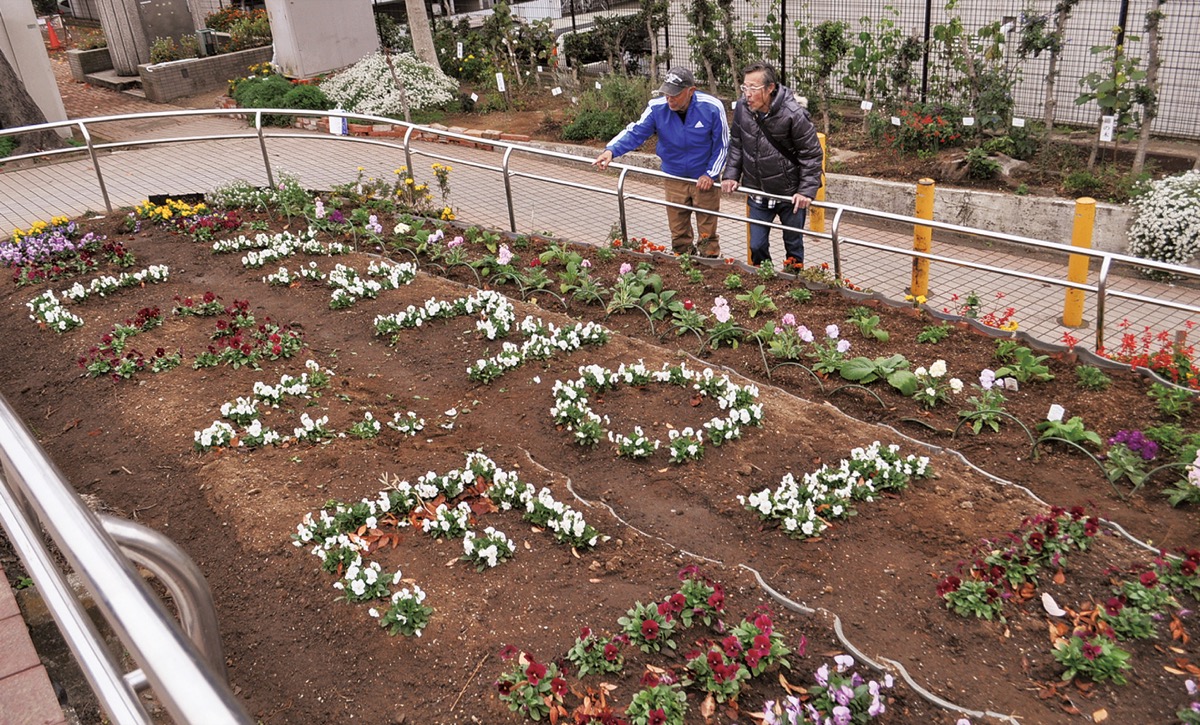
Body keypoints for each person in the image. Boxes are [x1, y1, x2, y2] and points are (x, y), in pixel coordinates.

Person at [594, 67, 729, 257]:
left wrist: (710, 174)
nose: (669, 99)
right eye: (666, 93)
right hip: (673, 176)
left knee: (708, 230)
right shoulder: (657, 107)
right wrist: (611, 151)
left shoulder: (712, 107)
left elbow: (722, 144)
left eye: (675, 94)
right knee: (678, 229)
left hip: (704, 177)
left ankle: (710, 263)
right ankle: (682, 260)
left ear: (691, 91)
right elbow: (636, 131)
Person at [720, 61, 824, 267]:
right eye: (745, 87)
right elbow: (737, 143)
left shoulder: (793, 114)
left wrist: (805, 191)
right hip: (758, 191)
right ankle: (765, 280)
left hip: (790, 193)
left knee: (793, 244)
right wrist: (730, 175)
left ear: (770, 88)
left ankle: (793, 281)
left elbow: (811, 154)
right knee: (757, 245)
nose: (747, 94)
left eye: (753, 88)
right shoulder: (742, 108)